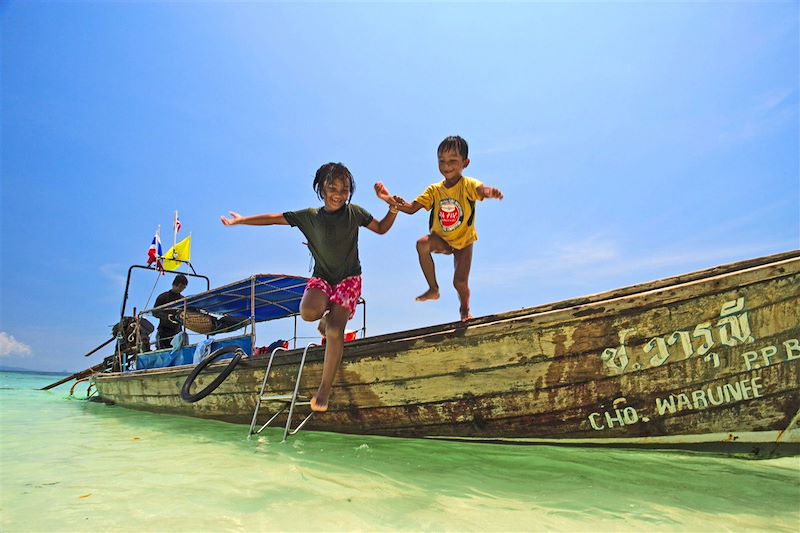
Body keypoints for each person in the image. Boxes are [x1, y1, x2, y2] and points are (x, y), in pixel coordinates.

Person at [220, 162, 399, 412]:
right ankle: (323, 321)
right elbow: (273, 219)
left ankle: (324, 389)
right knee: (308, 312)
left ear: (350, 192)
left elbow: (381, 228)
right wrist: (241, 221)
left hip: (349, 279)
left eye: (344, 189)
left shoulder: (354, 213)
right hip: (322, 278)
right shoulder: (310, 217)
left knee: (336, 329)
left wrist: (392, 209)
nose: (338, 194)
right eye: (332, 187)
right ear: (321, 188)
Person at [393, 135, 503, 321]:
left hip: (464, 241)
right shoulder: (434, 190)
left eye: (453, 161)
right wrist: (393, 202)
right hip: (442, 240)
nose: (446, 166)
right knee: (422, 244)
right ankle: (433, 289)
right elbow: (411, 209)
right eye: (442, 161)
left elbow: (479, 190)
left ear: (465, 163)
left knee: (459, 282)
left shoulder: (468, 185)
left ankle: (464, 309)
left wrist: (489, 192)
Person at [152, 274, 188, 349]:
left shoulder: (183, 300)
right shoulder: (163, 297)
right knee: (162, 351)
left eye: (184, 287)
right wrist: (166, 316)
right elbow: (154, 312)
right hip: (163, 331)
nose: (182, 289)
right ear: (174, 284)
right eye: (181, 286)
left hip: (177, 332)